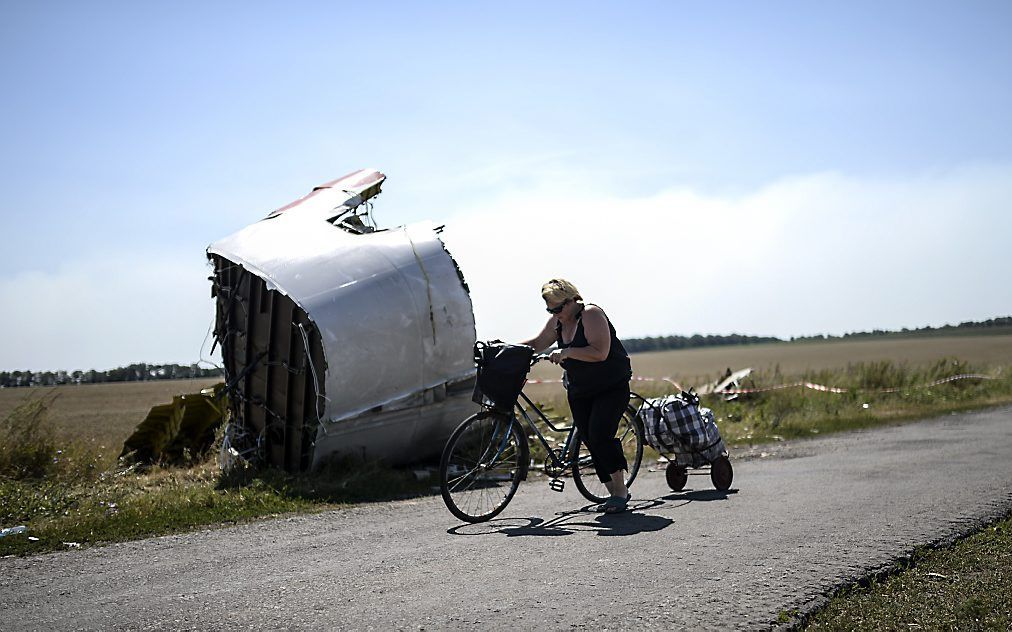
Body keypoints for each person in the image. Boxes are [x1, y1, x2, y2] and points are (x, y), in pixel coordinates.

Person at [520, 279, 634, 514]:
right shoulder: (558, 321)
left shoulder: (590, 315)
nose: (555, 313)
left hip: (610, 386)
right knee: (590, 439)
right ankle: (612, 492)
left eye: (558, 308)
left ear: (572, 301)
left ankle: (621, 492)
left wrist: (567, 351)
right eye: (550, 310)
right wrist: (506, 349)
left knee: (600, 434)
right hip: (581, 388)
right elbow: (537, 343)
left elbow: (600, 353)